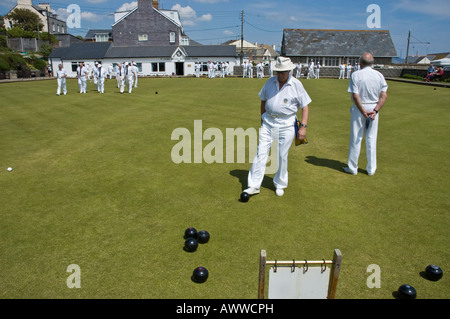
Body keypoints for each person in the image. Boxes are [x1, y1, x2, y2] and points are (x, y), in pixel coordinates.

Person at [244, 56, 311, 197]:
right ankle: (254, 185)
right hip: (268, 123)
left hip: (286, 124)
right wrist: (262, 117)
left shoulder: (297, 84)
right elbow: (263, 100)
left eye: (283, 72)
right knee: (260, 153)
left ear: (289, 71)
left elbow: (305, 107)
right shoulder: (269, 82)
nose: (280, 75)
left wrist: (303, 127)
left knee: (281, 155)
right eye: (278, 72)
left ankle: (280, 184)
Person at [344, 52, 388, 176]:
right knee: (371, 138)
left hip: (360, 109)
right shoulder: (379, 75)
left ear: (360, 63)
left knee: (356, 138)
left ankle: (352, 168)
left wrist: (363, 111)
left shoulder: (356, 75)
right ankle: (371, 169)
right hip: (373, 108)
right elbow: (383, 95)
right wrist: (375, 111)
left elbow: (355, 95)